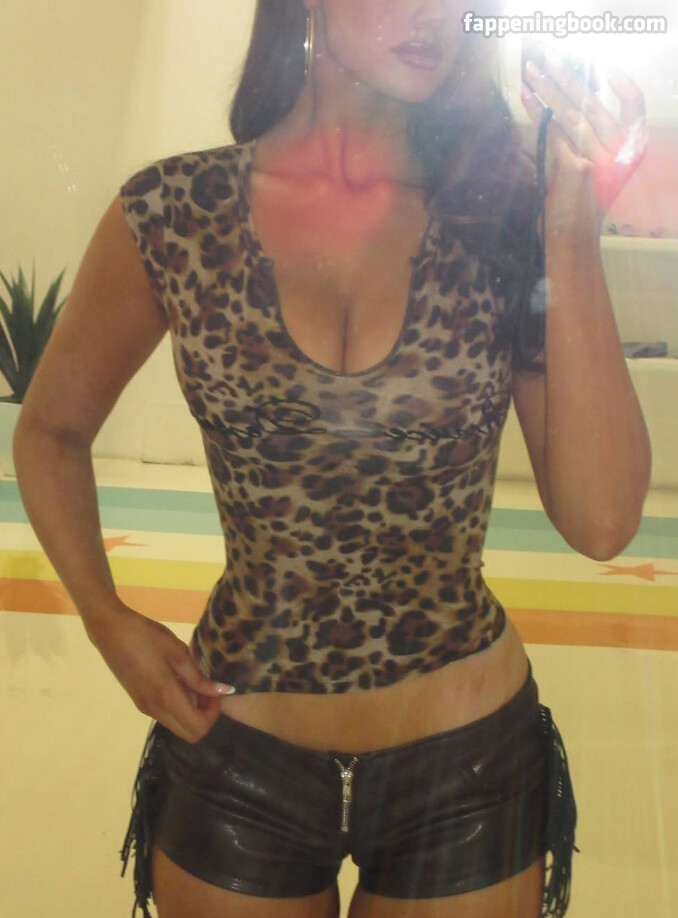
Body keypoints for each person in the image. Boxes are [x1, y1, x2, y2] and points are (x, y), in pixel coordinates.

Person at [14, 1, 651, 917]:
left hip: (469, 762)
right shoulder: (176, 212)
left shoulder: (500, 218)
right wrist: (104, 618)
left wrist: (572, 226)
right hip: (237, 755)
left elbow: (603, 522)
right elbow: (50, 432)